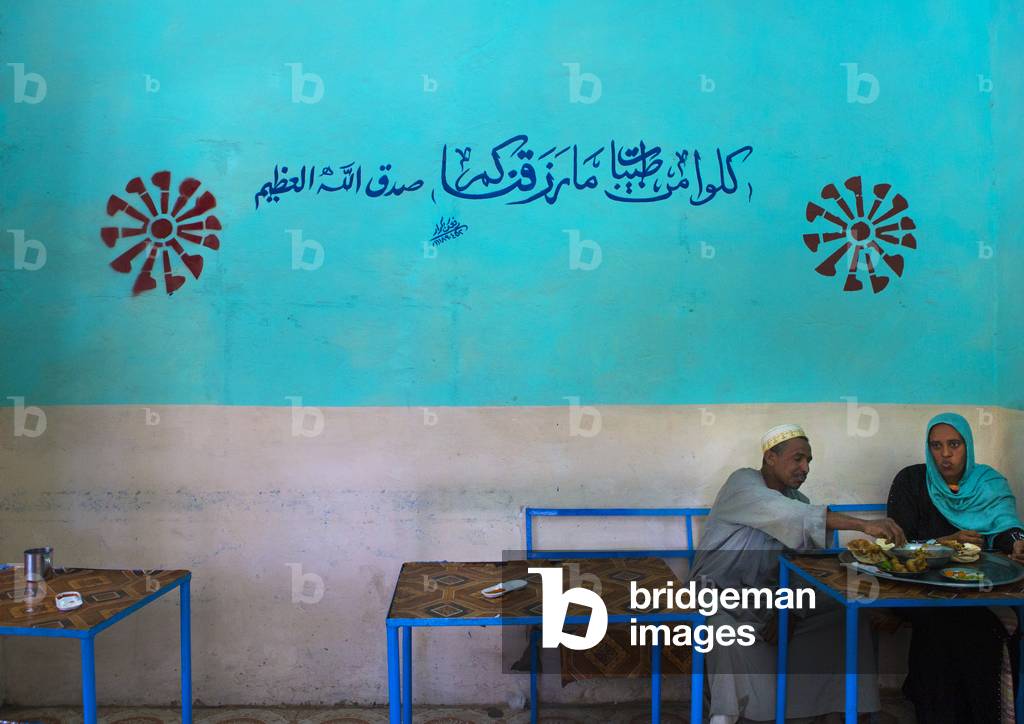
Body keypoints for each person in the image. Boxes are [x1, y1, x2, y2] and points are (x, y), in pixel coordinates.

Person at [691, 423, 906, 723]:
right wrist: (864, 525)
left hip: (769, 601)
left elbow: (801, 565)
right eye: (798, 458)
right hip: (719, 595)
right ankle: (725, 716)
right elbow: (788, 515)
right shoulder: (742, 483)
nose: (805, 468)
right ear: (770, 458)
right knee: (723, 631)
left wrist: (790, 609)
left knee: (847, 617)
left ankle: (843, 710)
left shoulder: (799, 502)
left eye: (809, 462)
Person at [886, 412, 1024, 724]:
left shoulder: (988, 483)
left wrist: (1018, 541)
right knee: (947, 624)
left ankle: (985, 711)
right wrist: (942, 542)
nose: (945, 454)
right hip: (920, 589)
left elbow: (1007, 525)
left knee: (990, 624)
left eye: (954, 444)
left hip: (980, 587)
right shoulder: (911, 482)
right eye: (936, 446)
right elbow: (898, 544)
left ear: (967, 446)